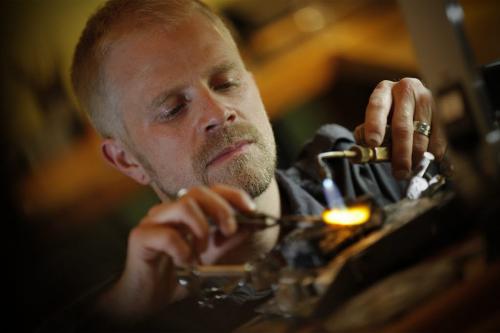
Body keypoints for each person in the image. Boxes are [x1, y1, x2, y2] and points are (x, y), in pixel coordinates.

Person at [59, 0, 446, 331]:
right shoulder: (143, 310)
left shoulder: (364, 176)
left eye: (226, 82)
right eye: (173, 109)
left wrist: (458, 120)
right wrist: (126, 315)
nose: (218, 112)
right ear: (126, 160)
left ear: (254, 86)